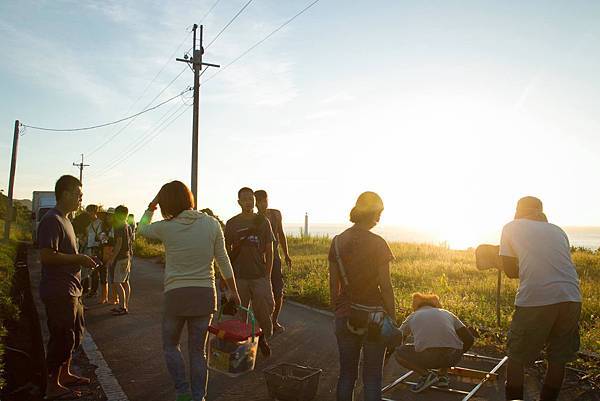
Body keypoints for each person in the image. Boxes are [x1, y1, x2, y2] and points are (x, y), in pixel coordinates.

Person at [138, 180, 241, 401]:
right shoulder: (212, 224)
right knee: (198, 352)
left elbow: (141, 228)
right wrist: (233, 290)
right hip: (204, 295)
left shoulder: (166, 227)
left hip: (176, 295)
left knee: (170, 346)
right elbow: (223, 260)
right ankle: (198, 398)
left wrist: (152, 204)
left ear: (166, 202)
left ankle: (182, 392)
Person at [499, 196, 582, 401]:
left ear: (518, 211)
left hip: (537, 298)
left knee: (516, 357)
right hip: (571, 296)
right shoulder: (557, 230)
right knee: (557, 358)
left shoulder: (511, 227)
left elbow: (510, 271)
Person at [328, 191, 396, 401]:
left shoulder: (338, 241)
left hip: (345, 314)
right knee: (373, 378)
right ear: (374, 213)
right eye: (380, 213)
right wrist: (392, 316)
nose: (380, 218)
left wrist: (337, 309)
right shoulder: (378, 243)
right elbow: (386, 285)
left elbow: (333, 283)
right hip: (374, 317)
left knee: (347, 375)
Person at [37, 175, 96, 400]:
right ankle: (52, 384)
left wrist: (80, 259)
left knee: (75, 335)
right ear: (66, 193)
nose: (81, 199)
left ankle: (65, 373)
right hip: (59, 290)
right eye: (79, 195)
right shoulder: (52, 220)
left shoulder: (67, 220)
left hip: (73, 288)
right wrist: (78, 259)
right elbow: (46, 256)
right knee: (61, 337)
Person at [224, 187, 275, 356]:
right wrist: (224, 277)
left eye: (251, 198)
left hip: (259, 275)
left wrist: (267, 275)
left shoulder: (263, 221)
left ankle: (262, 337)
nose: (249, 201)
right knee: (240, 316)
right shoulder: (232, 223)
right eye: (245, 199)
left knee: (265, 311)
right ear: (239, 202)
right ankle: (244, 350)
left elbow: (270, 249)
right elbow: (225, 251)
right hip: (239, 277)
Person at [395, 293, 474, 393]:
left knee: (399, 353)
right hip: (453, 357)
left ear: (416, 306)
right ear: (435, 305)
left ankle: (426, 375)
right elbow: (469, 339)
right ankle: (443, 376)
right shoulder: (447, 313)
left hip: (429, 358)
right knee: (447, 344)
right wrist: (459, 353)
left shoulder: (412, 316)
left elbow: (397, 339)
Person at [254, 190, 292, 333]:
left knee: (278, 290)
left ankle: (274, 321)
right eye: (259, 201)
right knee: (260, 293)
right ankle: (261, 323)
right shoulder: (254, 218)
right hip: (258, 259)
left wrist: (287, 254)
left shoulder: (276, 214)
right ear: (255, 203)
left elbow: (281, 233)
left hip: (275, 257)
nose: (263, 203)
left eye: (265, 200)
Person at [107, 205, 132, 316]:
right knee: (125, 282)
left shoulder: (119, 226)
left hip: (120, 258)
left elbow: (119, 243)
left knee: (117, 282)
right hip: (127, 257)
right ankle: (124, 305)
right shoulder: (128, 225)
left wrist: (112, 258)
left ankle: (122, 307)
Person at [84, 206, 103, 299]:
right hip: (89, 248)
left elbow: (101, 237)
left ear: (95, 212)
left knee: (95, 271)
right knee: (90, 271)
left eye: (89, 212)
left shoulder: (100, 223)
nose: (88, 214)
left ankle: (94, 291)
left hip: (96, 249)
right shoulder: (89, 224)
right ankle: (90, 290)